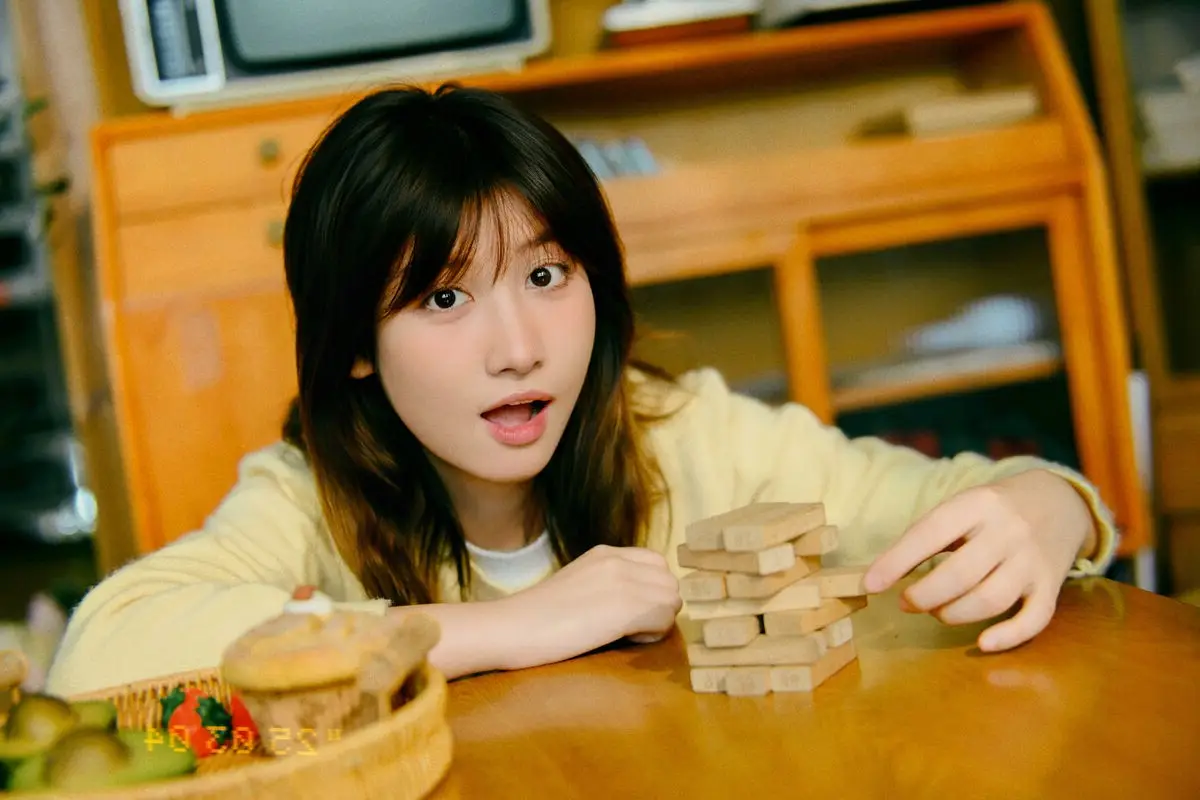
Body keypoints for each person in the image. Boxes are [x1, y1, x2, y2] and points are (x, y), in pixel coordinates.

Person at [45, 85, 1115, 697]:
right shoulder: (305, 500)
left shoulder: (680, 434)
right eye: (444, 298)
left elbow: (952, 501)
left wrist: (1051, 503)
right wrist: (510, 627)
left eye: (548, 277)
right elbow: (100, 655)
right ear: (355, 344)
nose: (520, 350)